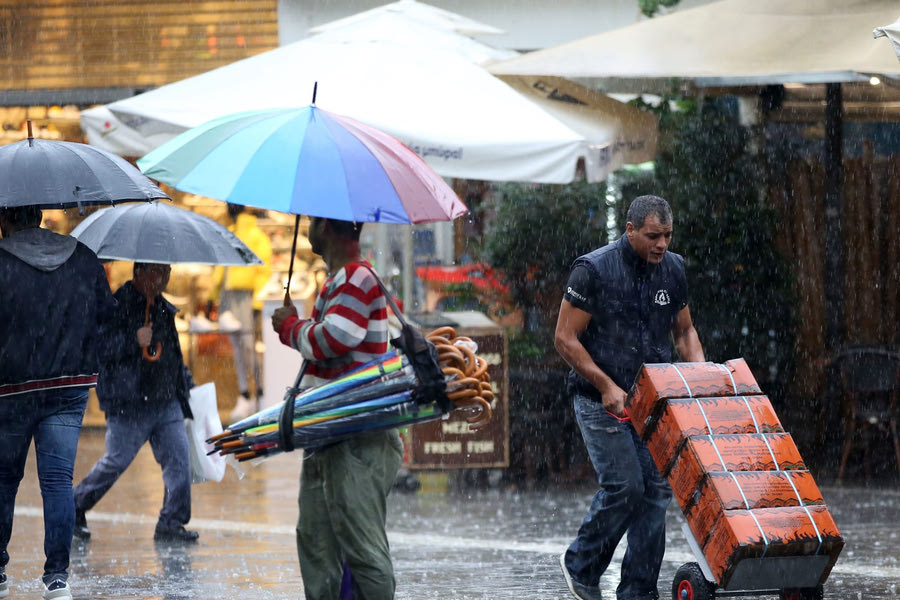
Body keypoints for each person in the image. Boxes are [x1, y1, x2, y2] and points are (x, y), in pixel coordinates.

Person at [554, 195, 705, 600]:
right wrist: (605, 385)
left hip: (652, 401)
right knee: (626, 487)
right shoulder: (593, 271)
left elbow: (685, 332)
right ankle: (581, 566)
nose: (662, 245)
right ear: (630, 230)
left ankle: (639, 592)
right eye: (653, 236)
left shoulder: (673, 270)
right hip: (597, 397)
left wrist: (699, 381)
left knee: (656, 492)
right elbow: (564, 338)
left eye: (668, 236)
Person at [271, 216, 401, 600]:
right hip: (329, 433)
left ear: (325, 226)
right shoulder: (338, 280)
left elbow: (335, 338)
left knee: (364, 551)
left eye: (312, 220)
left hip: (356, 436)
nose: (308, 226)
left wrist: (292, 327)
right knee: (316, 544)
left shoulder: (357, 277)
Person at [0, 205, 115, 600]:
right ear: (40, 214)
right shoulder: (81, 256)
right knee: (57, 481)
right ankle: (57, 579)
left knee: (3, 480)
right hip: (68, 386)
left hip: (10, 388)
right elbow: (106, 317)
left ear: (5, 219)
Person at [73, 262, 199, 544]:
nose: (165, 277)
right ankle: (74, 507)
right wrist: (134, 340)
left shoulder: (163, 308)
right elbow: (99, 348)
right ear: (140, 272)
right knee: (116, 461)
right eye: (158, 271)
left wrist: (184, 380)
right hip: (129, 402)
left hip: (164, 399)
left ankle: (172, 520)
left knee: (179, 458)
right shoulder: (116, 304)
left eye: (167, 270)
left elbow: (171, 352)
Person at [210, 203, 273, 422]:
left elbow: (263, 270)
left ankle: (261, 393)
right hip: (229, 296)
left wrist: (256, 302)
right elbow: (221, 267)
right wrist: (214, 296)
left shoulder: (255, 235)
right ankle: (245, 394)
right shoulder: (231, 232)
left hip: (244, 296)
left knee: (248, 347)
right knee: (238, 347)